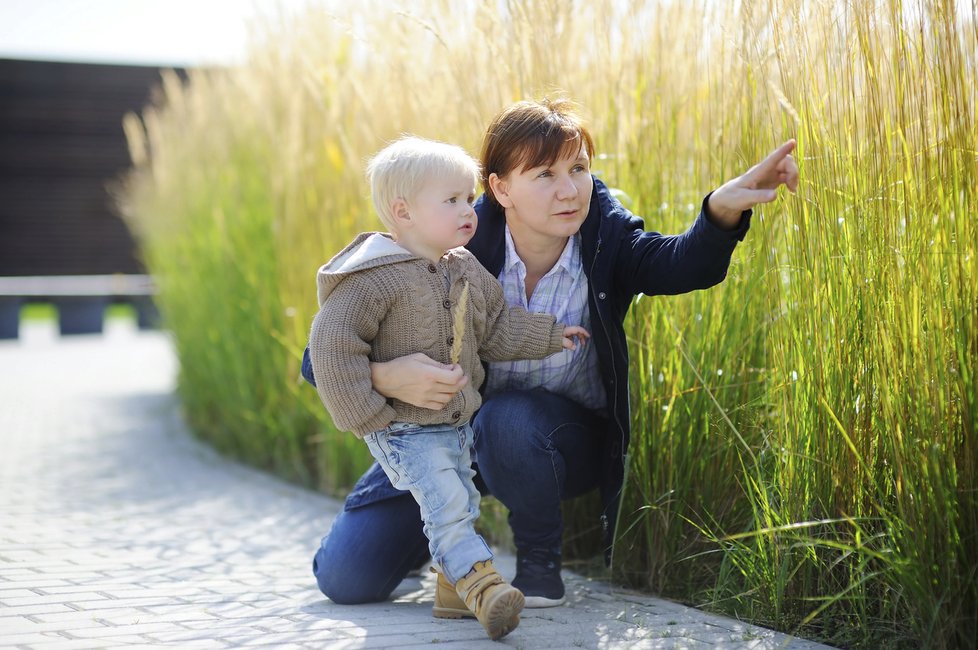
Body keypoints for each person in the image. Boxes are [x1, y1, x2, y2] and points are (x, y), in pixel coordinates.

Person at [304, 97, 798, 611]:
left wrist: (722, 209)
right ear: (499, 188)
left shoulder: (605, 233)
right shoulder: (451, 239)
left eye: (578, 168)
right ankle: (442, 551)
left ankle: (539, 568)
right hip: (441, 433)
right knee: (347, 579)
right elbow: (321, 354)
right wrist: (390, 377)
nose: (569, 190)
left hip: (562, 442)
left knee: (508, 419)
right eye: (543, 174)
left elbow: (681, 266)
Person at [307, 135, 589, 640]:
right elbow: (330, 348)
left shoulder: (463, 268)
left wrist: (549, 335)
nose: (469, 210)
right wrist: (371, 414)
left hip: (453, 424)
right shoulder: (372, 279)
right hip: (402, 429)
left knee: (459, 494)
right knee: (449, 505)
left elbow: (496, 325)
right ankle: (484, 588)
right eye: (453, 200)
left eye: (469, 197)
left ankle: (450, 590)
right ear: (403, 211)